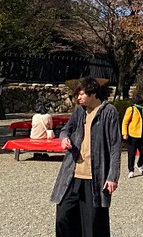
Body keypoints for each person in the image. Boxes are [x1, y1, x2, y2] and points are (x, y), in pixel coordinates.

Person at [51, 77, 121, 237]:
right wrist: (64, 139)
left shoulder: (109, 112)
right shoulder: (79, 110)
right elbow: (65, 130)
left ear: (93, 93)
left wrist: (112, 177)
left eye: (82, 94)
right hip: (72, 174)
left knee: (92, 224)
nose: (79, 98)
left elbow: (115, 147)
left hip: (95, 178)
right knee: (63, 217)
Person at [122, 94, 143, 178]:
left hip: (142, 134)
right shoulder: (131, 109)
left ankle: (139, 164)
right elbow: (125, 122)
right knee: (131, 154)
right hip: (132, 135)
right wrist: (124, 133)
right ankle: (131, 170)